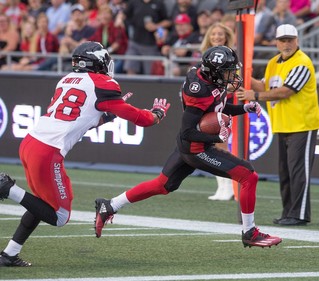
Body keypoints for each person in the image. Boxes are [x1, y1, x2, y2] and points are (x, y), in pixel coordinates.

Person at [0, 41, 170, 267]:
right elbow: (139, 118)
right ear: (98, 62)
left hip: (32, 142)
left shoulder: (66, 80)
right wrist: (156, 114)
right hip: (48, 151)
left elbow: (78, 120)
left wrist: (106, 116)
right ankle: (7, 188)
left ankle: (9, 254)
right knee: (59, 216)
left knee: (40, 203)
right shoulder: (104, 83)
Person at [94, 45, 282, 249]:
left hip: (189, 146)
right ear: (215, 72)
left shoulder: (209, 80)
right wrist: (216, 136)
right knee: (248, 176)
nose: (231, 76)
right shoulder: (199, 89)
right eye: (227, 71)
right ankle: (250, 232)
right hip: (196, 148)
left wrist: (243, 108)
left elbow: (216, 108)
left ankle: (110, 204)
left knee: (162, 185)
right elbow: (187, 131)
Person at [236, 24, 319, 226]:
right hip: (283, 124)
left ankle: (299, 214)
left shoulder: (302, 62)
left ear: (297, 40)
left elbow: (285, 92)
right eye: (282, 40)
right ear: (276, 42)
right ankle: (288, 212)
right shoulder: (274, 62)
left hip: (302, 124)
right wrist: (243, 78)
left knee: (298, 171)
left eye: (290, 39)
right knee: (285, 172)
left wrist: (253, 96)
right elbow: (266, 86)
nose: (287, 44)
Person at [198, 22, 236, 201]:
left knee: (222, 146)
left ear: (227, 36)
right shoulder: (205, 57)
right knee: (211, 146)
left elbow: (235, 83)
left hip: (225, 105)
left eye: (220, 34)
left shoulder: (232, 57)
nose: (217, 37)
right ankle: (222, 187)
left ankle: (229, 186)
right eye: (213, 34)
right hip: (208, 105)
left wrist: (218, 91)